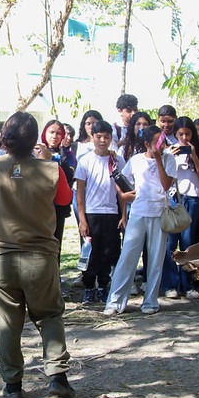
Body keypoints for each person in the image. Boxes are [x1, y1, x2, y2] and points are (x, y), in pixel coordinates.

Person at [0, 111, 75, 398]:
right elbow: (65, 200)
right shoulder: (53, 169)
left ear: (4, 136)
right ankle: (57, 377)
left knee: (7, 321)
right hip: (40, 256)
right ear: (35, 139)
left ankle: (13, 386)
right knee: (49, 315)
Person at [104, 125, 176, 315]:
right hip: (138, 213)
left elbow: (166, 185)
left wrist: (159, 159)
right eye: (157, 143)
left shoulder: (169, 159)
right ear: (147, 144)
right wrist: (124, 195)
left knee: (155, 260)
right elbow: (119, 179)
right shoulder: (136, 160)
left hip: (159, 214)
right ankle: (115, 302)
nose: (161, 146)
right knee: (127, 257)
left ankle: (150, 302)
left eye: (163, 142)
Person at [75, 120, 123, 304]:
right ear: (92, 137)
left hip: (111, 213)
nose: (103, 140)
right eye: (99, 136)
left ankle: (103, 286)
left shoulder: (117, 160)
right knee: (90, 252)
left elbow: (122, 190)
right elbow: (80, 192)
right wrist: (82, 219)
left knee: (107, 251)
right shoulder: (85, 161)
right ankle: (89, 287)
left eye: (106, 137)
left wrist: (124, 215)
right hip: (92, 213)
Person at [161, 117, 199, 300]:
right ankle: (170, 285)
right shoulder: (168, 151)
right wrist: (170, 158)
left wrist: (194, 155)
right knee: (170, 244)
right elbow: (163, 178)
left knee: (188, 243)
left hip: (193, 198)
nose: (184, 138)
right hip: (173, 198)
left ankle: (187, 284)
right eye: (180, 134)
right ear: (175, 134)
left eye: (187, 134)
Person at [38, 119, 76, 257]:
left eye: (59, 133)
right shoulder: (36, 152)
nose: (54, 136)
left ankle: (55, 269)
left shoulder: (68, 154)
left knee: (56, 243)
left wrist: (62, 153)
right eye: (51, 132)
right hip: (39, 205)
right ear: (44, 133)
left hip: (58, 206)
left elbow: (69, 174)